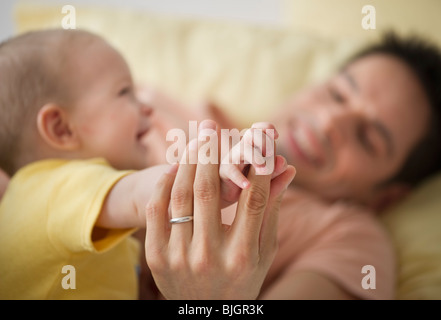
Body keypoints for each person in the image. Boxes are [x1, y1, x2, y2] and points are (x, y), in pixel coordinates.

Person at [139, 31, 441, 299]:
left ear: (386, 196)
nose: (328, 122)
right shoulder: (167, 110)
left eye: (367, 139)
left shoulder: (350, 242)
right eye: (337, 94)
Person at [0, 29, 295, 299]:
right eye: (124, 92)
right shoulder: (54, 189)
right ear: (61, 129)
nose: (147, 107)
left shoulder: (56, 207)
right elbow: (141, 195)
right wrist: (221, 174)